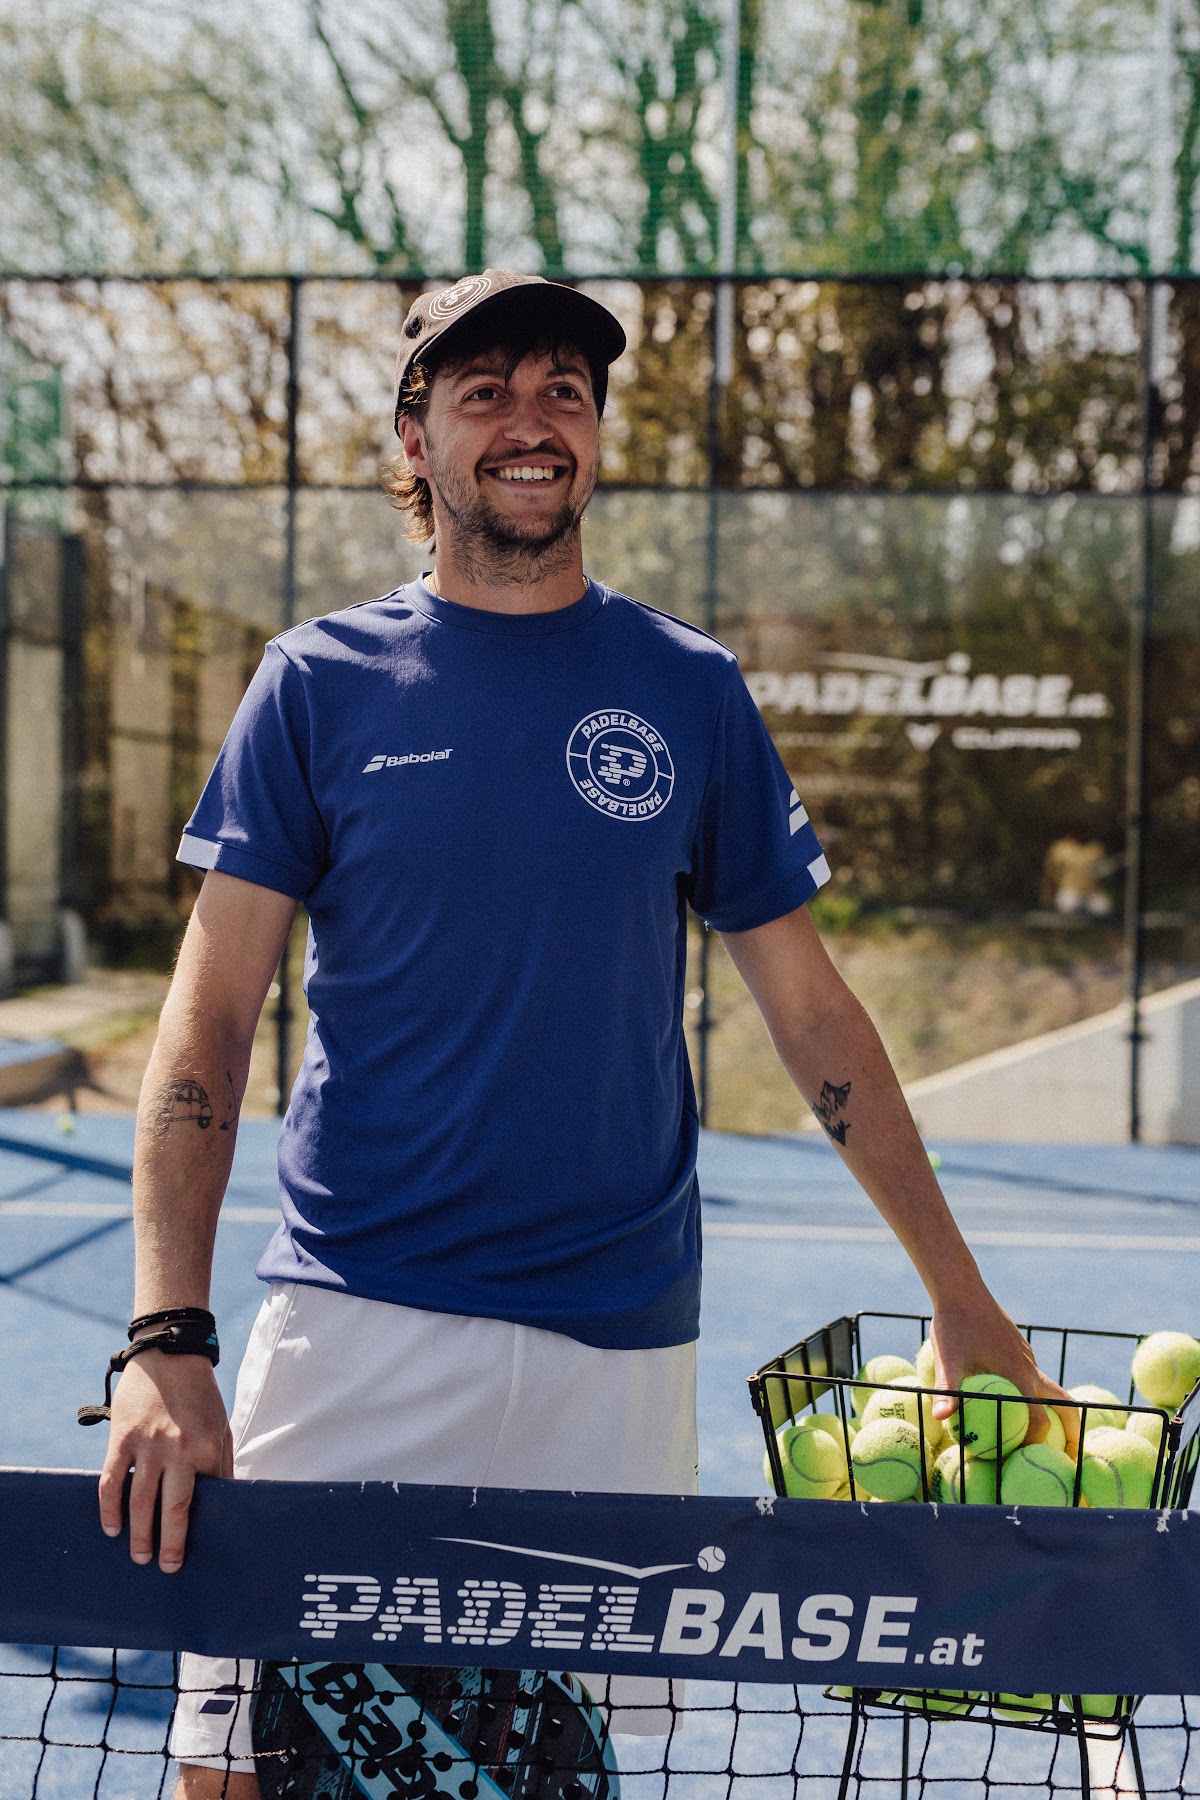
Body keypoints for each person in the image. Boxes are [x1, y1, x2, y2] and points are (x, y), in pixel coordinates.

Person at [95, 271, 1075, 1799]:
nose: (531, 420)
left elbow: (815, 1013)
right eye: (483, 391)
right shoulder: (315, 685)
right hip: (359, 1322)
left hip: (613, 1351)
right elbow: (209, 1024)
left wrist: (960, 1297)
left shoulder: (687, 689)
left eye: (565, 388)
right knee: (234, 1770)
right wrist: (165, 1339)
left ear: (601, 435)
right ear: (414, 440)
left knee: (552, 1773)